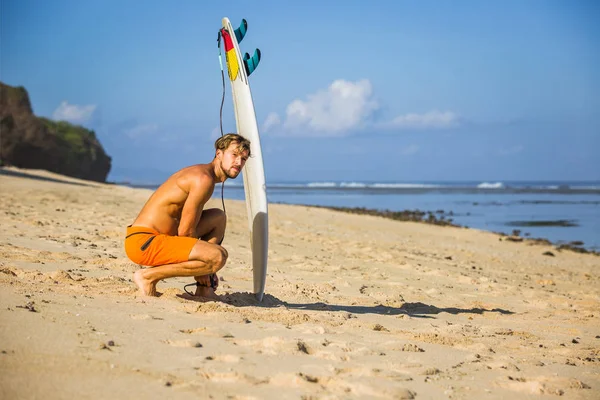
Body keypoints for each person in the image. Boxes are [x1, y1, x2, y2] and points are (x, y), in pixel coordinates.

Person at [124, 133, 251, 299]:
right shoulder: (203, 179)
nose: (239, 162)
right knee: (217, 256)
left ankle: (204, 289)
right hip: (144, 243)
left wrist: (205, 267)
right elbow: (185, 231)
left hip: (160, 238)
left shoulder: (205, 175)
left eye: (243, 159)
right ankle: (148, 277)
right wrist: (207, 266)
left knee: (217, 218)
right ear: (219, 153)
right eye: (234, 155)